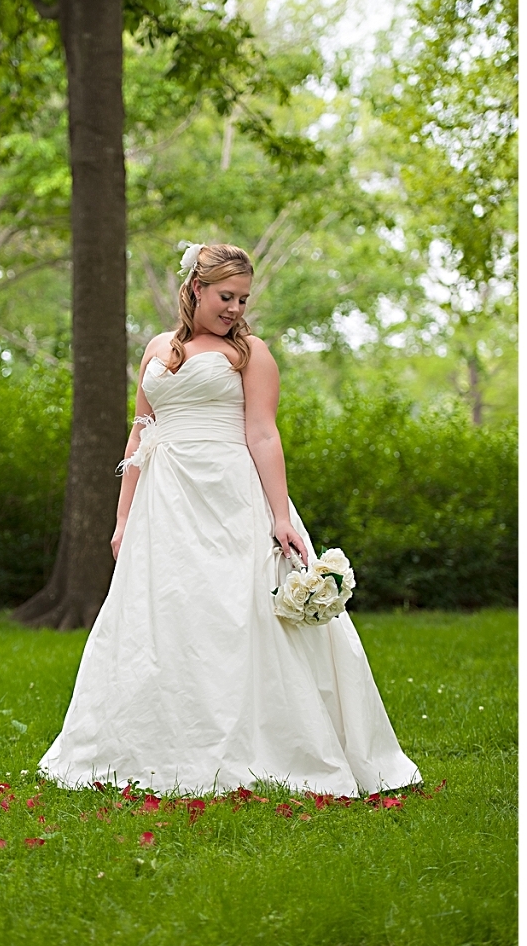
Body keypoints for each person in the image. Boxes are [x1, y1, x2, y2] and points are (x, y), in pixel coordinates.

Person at [39, 243, 420, 797]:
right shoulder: (158, 349)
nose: (236, 308)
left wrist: (281, 513)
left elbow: (263, 434)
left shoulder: (252, 355)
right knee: (164, 616)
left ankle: (263, 745)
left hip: (228, 499)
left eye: (242, 298)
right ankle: (151, 745)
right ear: (195, 288)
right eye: (225, 296)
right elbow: (141, 433)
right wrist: (123, 518)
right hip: (164, 504)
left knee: (236, 614)